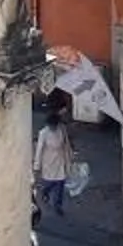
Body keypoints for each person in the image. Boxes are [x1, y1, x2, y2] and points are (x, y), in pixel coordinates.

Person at [32, 94, 76, 229]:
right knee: (51, 182)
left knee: (61, 183)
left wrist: (69, 157)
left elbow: (66, 144)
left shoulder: (61, 130)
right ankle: (45, 191)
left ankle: (58, 205)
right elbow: (39, 149)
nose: (52, 127)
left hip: (60, 159)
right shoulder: (43, 133)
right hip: (48, 160)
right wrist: (37, 165)